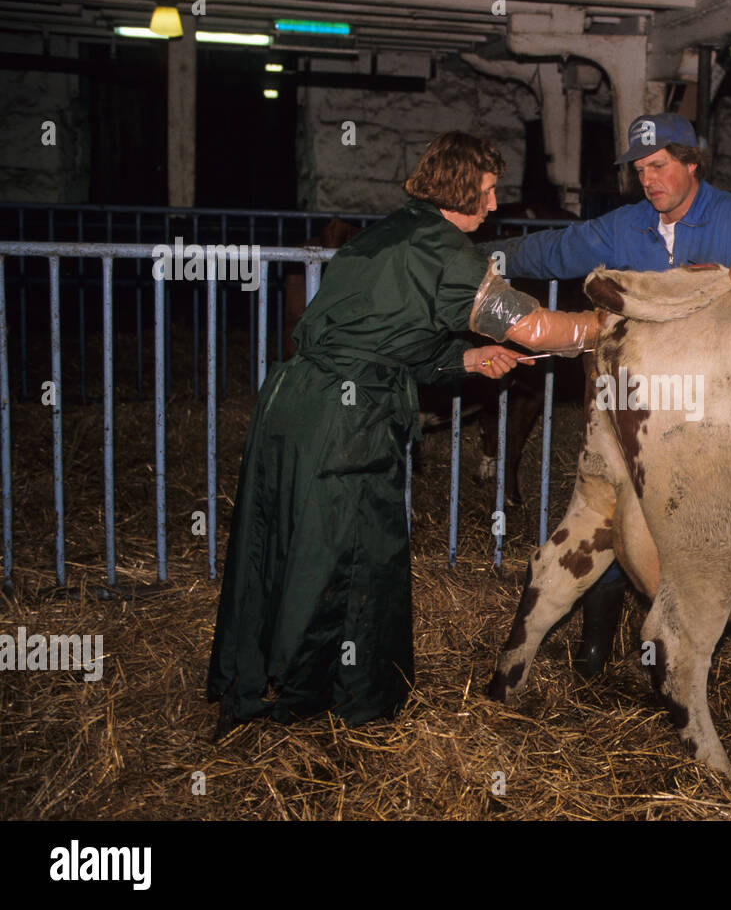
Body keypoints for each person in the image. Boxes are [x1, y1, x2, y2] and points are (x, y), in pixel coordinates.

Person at [207, 132, 601, 737]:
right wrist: (609, 324)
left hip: (291, 406)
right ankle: (332, 698)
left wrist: (468, 362)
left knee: (285, 542)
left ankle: (261, 677)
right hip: (345, 424)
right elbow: (538, 328)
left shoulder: (388, 232)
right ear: (463, 188)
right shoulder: (449, 255)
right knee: (350, 554)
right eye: (490, 191)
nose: (495, 206)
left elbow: (379, 339)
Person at [483, 112, 731, 678]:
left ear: (692, 164)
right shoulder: (627, 225)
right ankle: (596, 652)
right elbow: (551, 251)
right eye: (641, 170)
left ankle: (682, 650)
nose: (649, 181)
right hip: (640, 408)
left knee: (698, 523)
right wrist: (479, 259)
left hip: (718, 414)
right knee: (618, 512)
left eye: (660, 166)